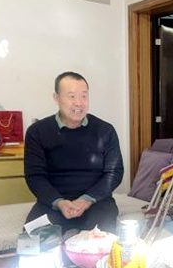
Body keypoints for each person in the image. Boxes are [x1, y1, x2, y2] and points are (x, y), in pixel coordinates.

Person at [24, 71, 124, 234]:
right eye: (71, 96)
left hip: (96, 202)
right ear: (56, 98)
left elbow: (114, 173)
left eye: (84, 96)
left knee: (100, 241)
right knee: (34, 240)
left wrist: (86, 200)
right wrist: (59, 202)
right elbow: (35, 176)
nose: (79, 103)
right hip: (53, 204)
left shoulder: (105, 130)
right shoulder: (37, 132)